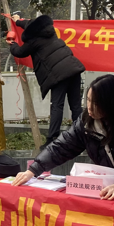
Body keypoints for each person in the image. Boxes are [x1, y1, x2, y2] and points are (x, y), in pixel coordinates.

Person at [13, 74, 114, 200]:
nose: (89, 107)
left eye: (96, 102)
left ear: (111, 103)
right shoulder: (87, 121)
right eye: (88, 100)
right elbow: (62, 146)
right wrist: (33, 170)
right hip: (109, 189)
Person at [8, 14, 85, 144]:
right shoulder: (50, 31)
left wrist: (12, 44)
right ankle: (82, 136)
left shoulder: (33, 41)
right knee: (76, 105)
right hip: (73, 67)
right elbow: (31, 23)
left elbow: (20, 52)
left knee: (57, 105)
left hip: (59, 74)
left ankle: (52, 138)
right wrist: (18, 21)